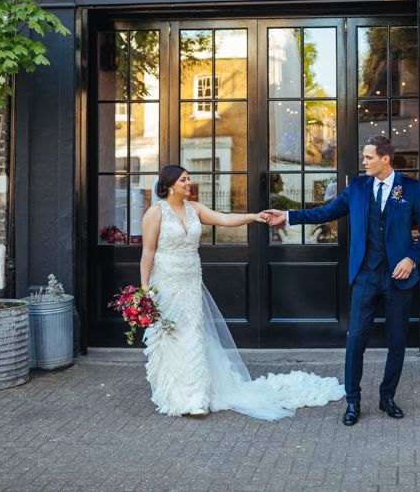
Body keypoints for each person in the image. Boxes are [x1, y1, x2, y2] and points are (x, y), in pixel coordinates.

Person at [140, 165, 344, 419]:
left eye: (189, 179)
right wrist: (145, 287)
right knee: (171, 335)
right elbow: (148, 252)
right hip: (166, 280)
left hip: (190, 281)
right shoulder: (155, 213)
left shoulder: (195, 209)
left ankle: (195, 396)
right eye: (184, 180)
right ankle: (177, 395)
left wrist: (254, 217)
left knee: (192, 333)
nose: (189, 183)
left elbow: (225, 218)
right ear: (170, 185)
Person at [265, 135, 420, 426]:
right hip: (365, 275)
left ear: (385, 159)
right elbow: (326, 211)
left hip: (399, 277)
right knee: (356, 339)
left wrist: (411, 258)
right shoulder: (357, 188)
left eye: (369, 157)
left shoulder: (410, 188)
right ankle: (353, 402)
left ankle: (388, 397)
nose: (364, 161)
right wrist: (288, 216)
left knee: (397, 342)